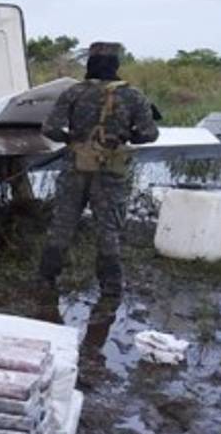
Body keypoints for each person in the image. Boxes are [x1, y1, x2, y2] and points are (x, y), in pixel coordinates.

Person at [38, 41, 159, 301]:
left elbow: (49, 129)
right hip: (111, 172)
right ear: (116, 65)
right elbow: (150, 134)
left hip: (75, 167)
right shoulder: (133, 95)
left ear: (90, 65)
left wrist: (72, 140)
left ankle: (46, 281)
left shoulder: (73, 92)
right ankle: (111, 289)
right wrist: (126, 137)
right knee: (109, 229)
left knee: (63, 224)